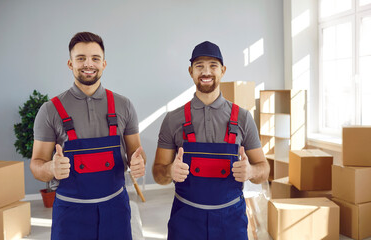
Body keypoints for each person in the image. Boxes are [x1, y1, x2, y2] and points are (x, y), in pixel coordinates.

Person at [30, 32, 146, 240]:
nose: (88, 64)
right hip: (71, 215)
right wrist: (50, 168)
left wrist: (138, 163)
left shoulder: (124, 105)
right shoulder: (50, 111)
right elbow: (36, 165)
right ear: (70, 63)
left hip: (116, 212)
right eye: (81, 58)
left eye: (95, 58)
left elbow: (136, 153)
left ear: (104, 64)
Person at [152, 41, 270, 240]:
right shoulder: (173, 120)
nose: (206, 72)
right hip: (186, 222)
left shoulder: (242, 118)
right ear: (191, 71)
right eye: (199, 66)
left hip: (231, 222)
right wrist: (169, 171)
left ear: (223, 70)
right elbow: (158, 174)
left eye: (213, 66)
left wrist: (251, 171)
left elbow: (264, 169)